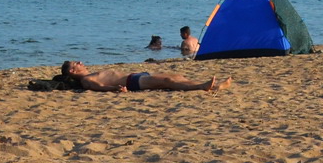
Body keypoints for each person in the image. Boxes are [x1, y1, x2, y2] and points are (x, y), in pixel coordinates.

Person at [57, 61, 232, 92]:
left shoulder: (91, 73)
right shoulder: (87, 80)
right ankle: (202, 86)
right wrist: (116, 89)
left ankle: (212, 86)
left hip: (136, 76)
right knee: (168, 81)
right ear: (72, 72)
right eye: (76, 64)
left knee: (176, 76)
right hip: (132, 82)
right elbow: (99, 87)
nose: (80, 62)